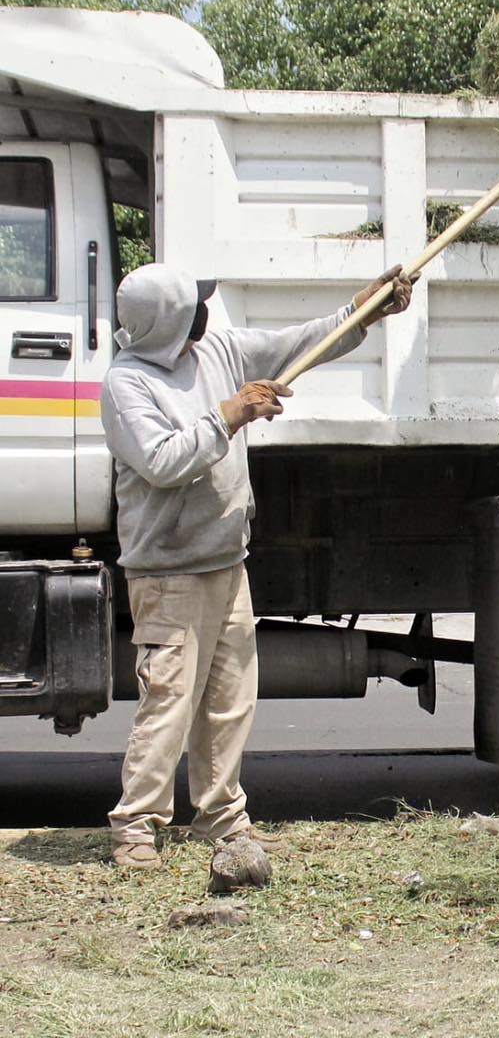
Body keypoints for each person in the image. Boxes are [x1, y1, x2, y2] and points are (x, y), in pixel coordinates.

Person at [103, 262, 416, 869]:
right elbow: (164, 462)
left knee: (230, 700)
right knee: (169, 701)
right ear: (167, 319)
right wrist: (231, 416)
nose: (204, 311)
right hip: (169, 573)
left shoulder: (214, 350)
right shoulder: (126, 383)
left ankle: (222, 821)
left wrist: (363, 312)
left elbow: (297, 343)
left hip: (226, 560)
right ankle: (136, 828)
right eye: (192, 304)